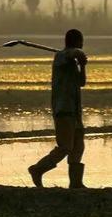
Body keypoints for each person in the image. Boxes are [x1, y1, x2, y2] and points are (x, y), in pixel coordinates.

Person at [29, 29, 88, 189]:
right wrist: (78, 53)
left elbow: (81, 82)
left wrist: (82, 66)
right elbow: (71, 54)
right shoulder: (61, 57)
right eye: (81, 42)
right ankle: (37, 169)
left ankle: (76, 183)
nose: (82, 45)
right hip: (64, 109)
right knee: (65, 147)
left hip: (75, 111)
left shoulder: (74, 61)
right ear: (75, 42)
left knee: (78, 147)